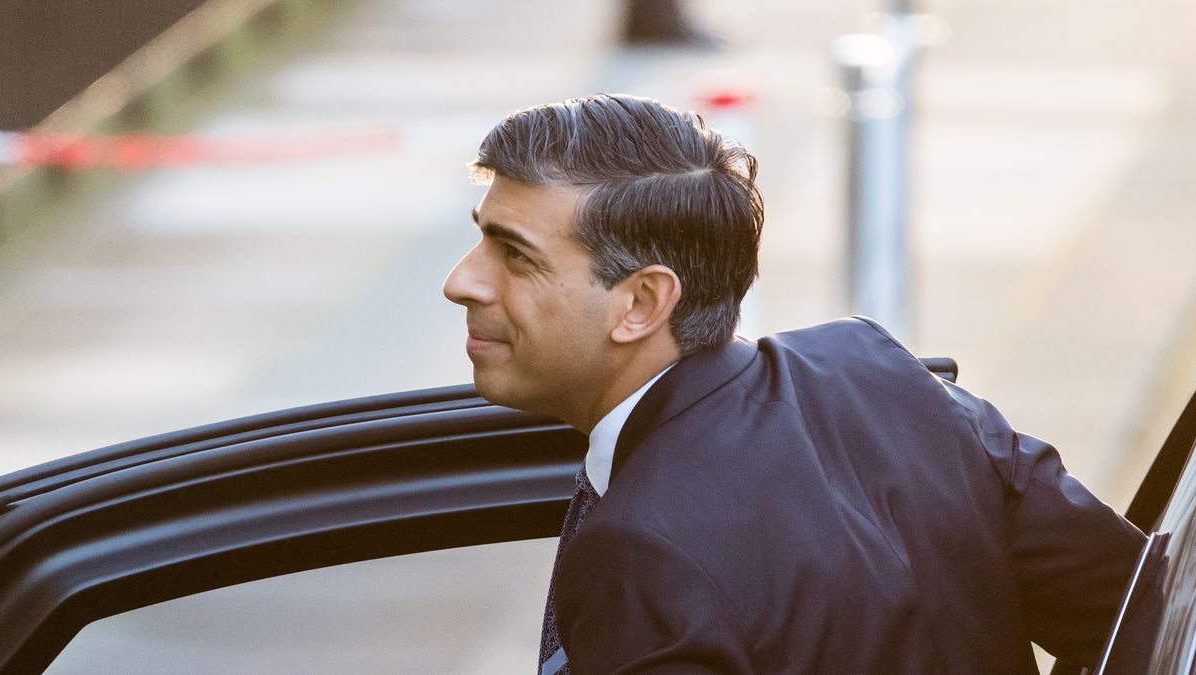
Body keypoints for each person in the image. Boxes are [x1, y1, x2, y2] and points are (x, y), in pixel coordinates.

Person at [442, 93, 1145, 674]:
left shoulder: (638, 553)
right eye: (481, 239)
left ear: (641, 304)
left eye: (514, 255)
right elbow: (1143, 613)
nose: (462, 280)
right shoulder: (880, 372)